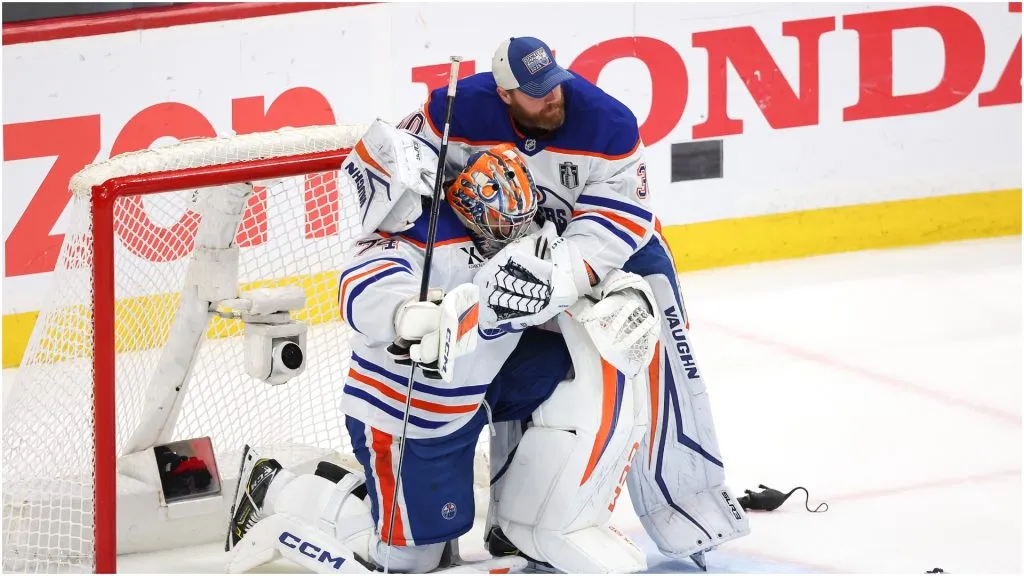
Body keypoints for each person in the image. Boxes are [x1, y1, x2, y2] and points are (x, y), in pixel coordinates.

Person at [396, 36, 751, 570]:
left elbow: (618, 221)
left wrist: (557, 277)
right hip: (517, 253)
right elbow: (408, 166)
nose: (553, 98)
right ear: (505, 94)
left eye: (554, 84)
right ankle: (514, 524)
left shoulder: (608, 123)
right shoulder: (457, 108)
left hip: (620, 255)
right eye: (536, 93)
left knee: (657, 366)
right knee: (519, 373)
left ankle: (690, 510)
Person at [222, 120, 604, 573]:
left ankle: (508, 518)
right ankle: (271, 486)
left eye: (520, 218)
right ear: (468, 205)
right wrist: (406, 312)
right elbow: (360, 288)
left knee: (573, 369)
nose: (514, 231)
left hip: (472, 395)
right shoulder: (411, 238)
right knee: (409, 560)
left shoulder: (524, 230)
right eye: (501, 221)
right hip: (406, 417)